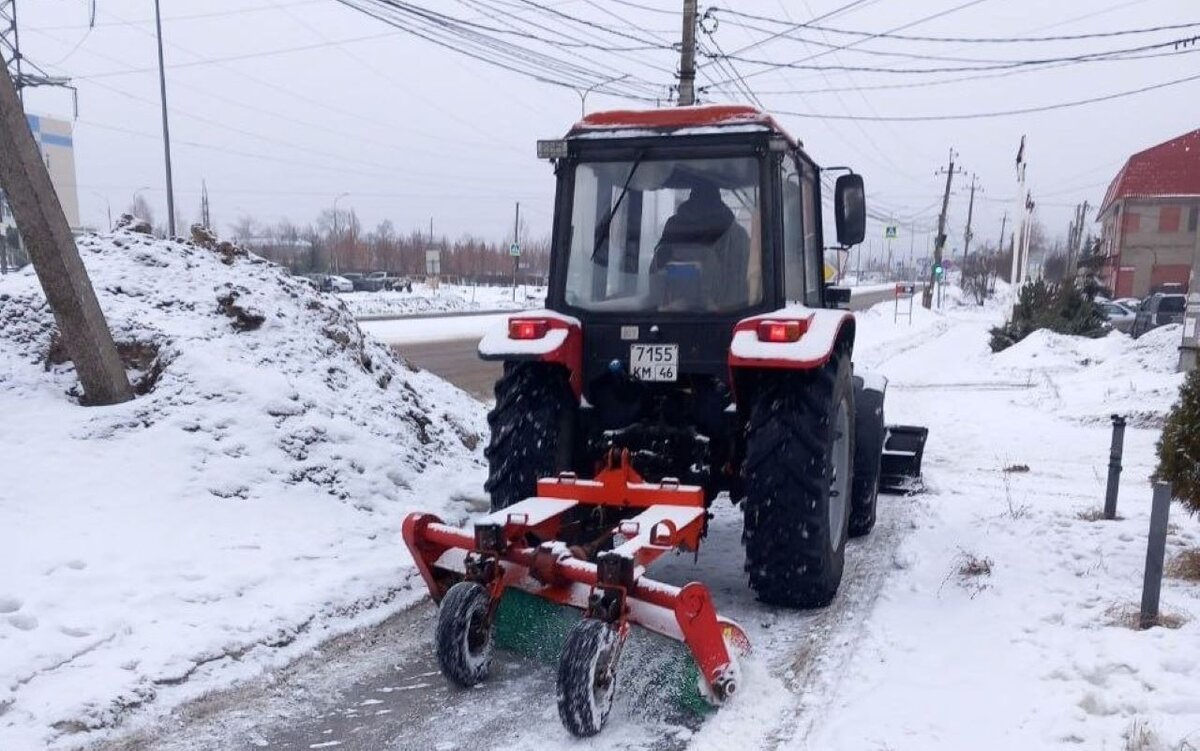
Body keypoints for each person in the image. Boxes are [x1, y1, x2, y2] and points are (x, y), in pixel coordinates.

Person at [651, 179, 750, 311]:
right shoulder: (737, 234)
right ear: (719, 201)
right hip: (728, 314)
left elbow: (656, 271)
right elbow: (747, 280)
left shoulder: (674, 227)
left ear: (690, 200)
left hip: (672, 315)